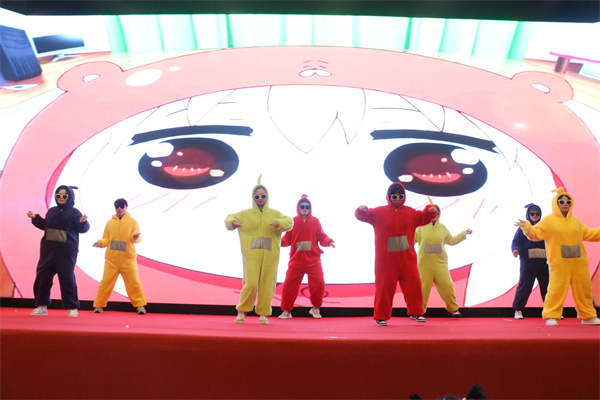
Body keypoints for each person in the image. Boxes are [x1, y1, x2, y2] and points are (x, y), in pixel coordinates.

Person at [355, 182, 438, 326]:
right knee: (384, 288)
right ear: (389, 197)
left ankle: (417, 312)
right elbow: (364, 215)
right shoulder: (378, 212)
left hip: (407, 259)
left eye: (400, 196)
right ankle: (381, 316)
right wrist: (361, 210)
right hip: (385, 261)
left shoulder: (411, 213)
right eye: (394, 196)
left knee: (414, 286)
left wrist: (430, 211)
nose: (397, 199)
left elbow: (424, 217)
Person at [515, 187, 600, 326]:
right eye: (561, 201)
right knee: (556, 290)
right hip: (559, 263)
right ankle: (551, 315)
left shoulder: (575, 221)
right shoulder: (549, 220)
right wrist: (527, 227)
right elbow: (535, 234)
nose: (565, 204)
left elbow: (589, 234)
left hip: (579, 263)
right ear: (556, 203)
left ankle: (588, 316)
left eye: (568, 201)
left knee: (584, 291)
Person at [225, 176, 293, 324]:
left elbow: (290, 221)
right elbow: (229, 218)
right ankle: (242, 311)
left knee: (267, 283)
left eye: (263, 196)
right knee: (250, 283)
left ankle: (264, 313)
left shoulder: (275, 213)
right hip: (251, 254)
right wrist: (232, 222)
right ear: (253, 197)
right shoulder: (245, 214)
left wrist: (279, 223)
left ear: (267, 196)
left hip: (270, 254)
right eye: (257, 196)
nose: (260, 198)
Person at [28, 185, 90, 317]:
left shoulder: (75, 213)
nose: (61, 198)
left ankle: (72, 307)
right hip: (48, 251)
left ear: (70, 197)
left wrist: (82, 222)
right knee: (43, 278)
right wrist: (35, 218)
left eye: (64, 196)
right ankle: (41, 306)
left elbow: (83, 229)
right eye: (58, 195)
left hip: (66, 253)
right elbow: (45, 226)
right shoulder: (52, 211)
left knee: (67, 279)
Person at [278, 195, 335, 320]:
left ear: (310, 208)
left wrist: (330, 242)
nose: (305, 209)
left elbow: (322, 236)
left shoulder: (315, 221)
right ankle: (286, 311)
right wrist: (277, 241)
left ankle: (316, 308)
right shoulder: (293, 221)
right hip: (296, 260)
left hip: (313, 260)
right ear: (298, 208)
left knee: (319, 283)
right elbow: (287, 239)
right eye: (302, 206)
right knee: (288, 285)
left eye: (307, 207)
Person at [415, 200, 472, 317]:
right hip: (424, 264)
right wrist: (392, 242)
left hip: (440, 263)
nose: (434, 215)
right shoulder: (420, 228)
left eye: (436, 213)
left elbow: (451, 240)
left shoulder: (443, 228)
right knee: (422, 288)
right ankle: (419, 311)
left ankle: (453, 308)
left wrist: (463, 234)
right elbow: (410, 240)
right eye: (431, 212)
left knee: (447, 285)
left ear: (439, 214)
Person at [92, 198, 147, 315]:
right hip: (111, 260)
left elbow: (137, 238)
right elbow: (106, 239)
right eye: (117, 206)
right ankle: (98, 305)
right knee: (106, 282)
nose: (119, 209)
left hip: (128, 259)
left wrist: (136, 237)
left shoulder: (132, 222)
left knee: (133, 282)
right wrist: (100, 243)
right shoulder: (109, 223)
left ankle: (140, 306)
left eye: (122, 206)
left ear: (126, 207)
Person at [511, 203, 549, 319]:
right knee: (524, 286)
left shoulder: (544, 228)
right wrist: (515, 250)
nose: (535, 216)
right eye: (532, 213)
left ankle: (552, 311)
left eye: (537, 214)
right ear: (528, 214)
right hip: (528, 263)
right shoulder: (522, 228)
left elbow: (552, 241)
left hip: (544, 263)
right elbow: (516, 241)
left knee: (548, 288)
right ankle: (518, 309)